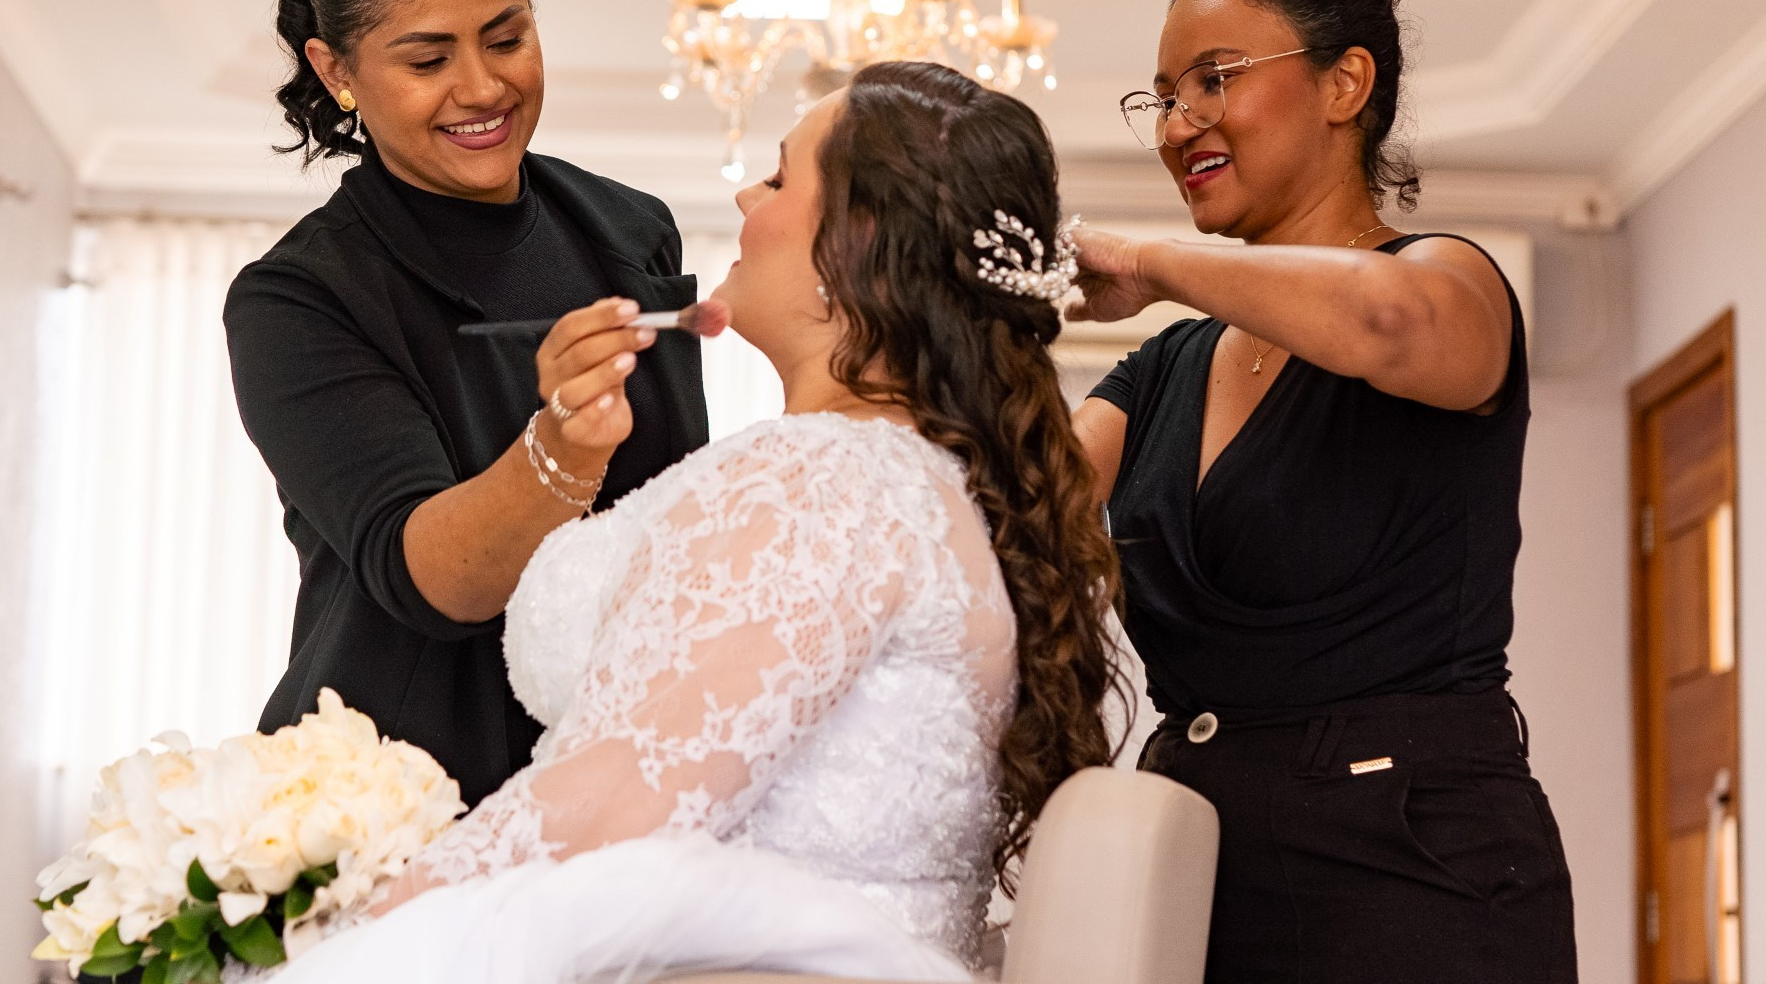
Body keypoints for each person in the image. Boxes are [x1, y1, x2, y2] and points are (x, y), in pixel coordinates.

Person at [261, 62, 1123, 982]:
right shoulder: (930, 482)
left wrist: (327, 948)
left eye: (784, 178)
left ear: (856, 248)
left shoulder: (818, 482)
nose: (750, 192)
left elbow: (602, 814)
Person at [1068, 0, 1578, 982]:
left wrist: (1153, 263)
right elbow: (1019, 511)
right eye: (1160, 95)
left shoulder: (1445, 279)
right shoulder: (1160, 371)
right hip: (1189, 870)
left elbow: (1386, 320)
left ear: (1344, 82)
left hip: (1414, 867)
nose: (1176, 123)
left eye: (1214, 80)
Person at [225, 0, 708, 812]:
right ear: (338, 71)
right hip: (402, 792)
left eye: (506, 37)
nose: (483, 88)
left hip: (621, 767)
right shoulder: (299, 297)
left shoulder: (629, 228)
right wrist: (561, 445)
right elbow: (435, 580)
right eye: (428, 58)